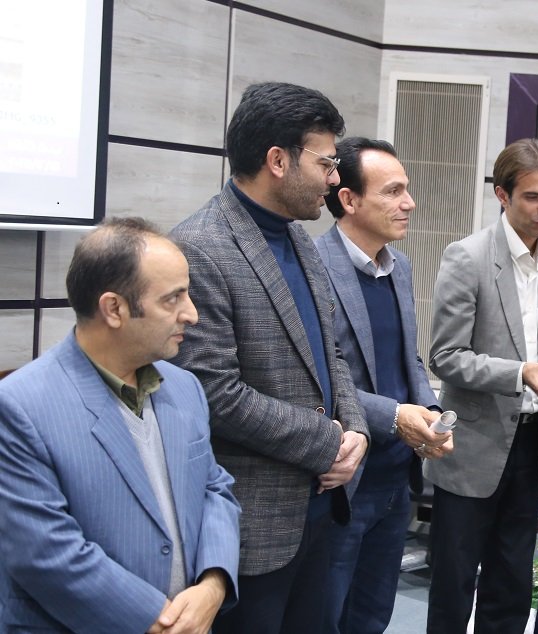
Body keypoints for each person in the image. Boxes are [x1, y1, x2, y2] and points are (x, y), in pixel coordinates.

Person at [170, 82, 369, 633]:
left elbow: (331, 351)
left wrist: (355, 430)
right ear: (278, 161)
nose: (335, 179)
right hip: (251, 528)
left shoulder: (300, 240)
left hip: (320, 510)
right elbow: (212, 392)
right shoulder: (200, 247)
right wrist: (326, 441)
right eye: (326, 163)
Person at [0, 217, 240, 633]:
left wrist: (214, 583)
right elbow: (45, 553)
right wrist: (158, 620)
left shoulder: (184, 387)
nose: (192, 314)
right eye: (173, 299)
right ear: (114, 309)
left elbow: (214, 488)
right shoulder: (20, 407)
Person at [426, 138, 538, 633]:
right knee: (453, 587)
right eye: (533, 197)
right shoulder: (467, 257)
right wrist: (520, 373)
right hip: (471, 446)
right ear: (502, 195)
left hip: (532, 442)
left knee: (513, 585)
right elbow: (446, 356)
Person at [314, 137, 453, 633]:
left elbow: (408, 357)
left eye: (406, 190)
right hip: (343, 479)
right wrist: (395, 416)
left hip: (396, 478)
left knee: (373, 616)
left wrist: (429, 411)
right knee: (326, 616)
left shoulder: (400, 266)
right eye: (393, 191)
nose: (409, 203)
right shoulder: (313, 267)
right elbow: (320, 378)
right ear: (348, 199)